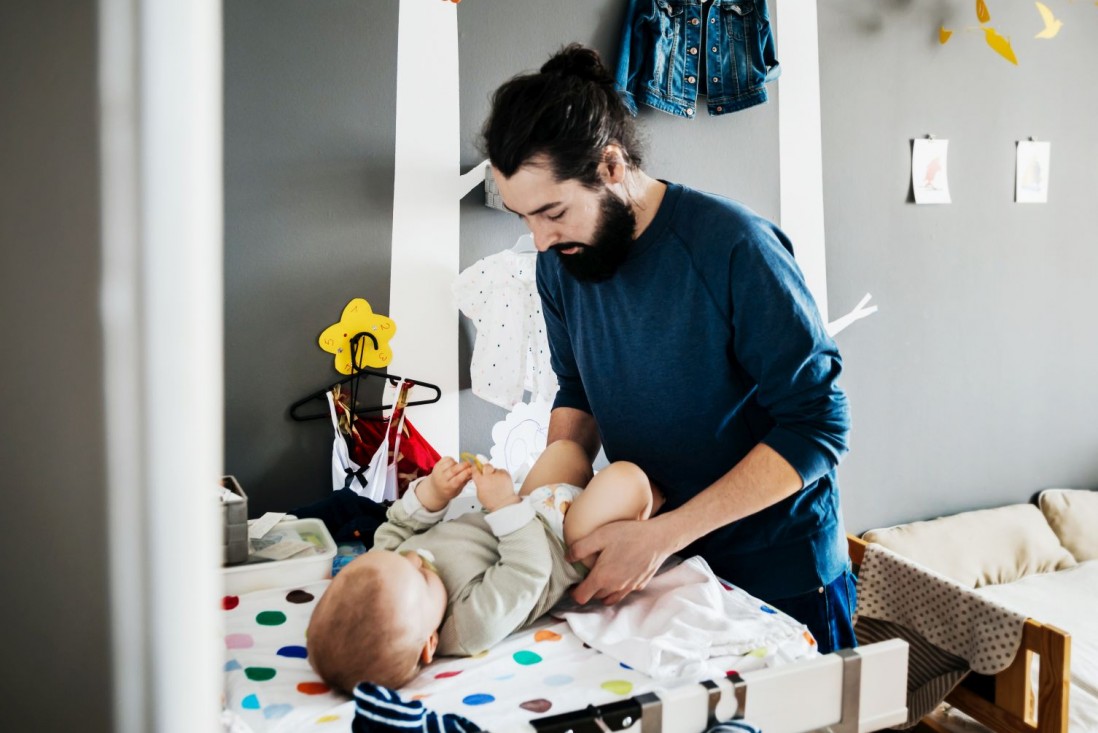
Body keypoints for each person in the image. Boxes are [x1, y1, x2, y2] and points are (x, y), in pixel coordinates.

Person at [481, 44, 856, 654]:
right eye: (524, 217)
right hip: (665, 568)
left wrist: (663, 535)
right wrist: (549, 511)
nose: (540, 240)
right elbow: (578, 392)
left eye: (552, 212)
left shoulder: (735, 247)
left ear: (609, 167)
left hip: (779, 575)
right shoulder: (561, 267)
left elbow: (818, 426)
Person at [306, 439, 662, 692]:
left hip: (529, 508)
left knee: (565, 450)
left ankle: (625, 494)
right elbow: (528, 570)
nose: (414, 558)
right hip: (567, 546)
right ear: (429, 644)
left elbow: (398, 526)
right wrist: (504, 503)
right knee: (625, 478)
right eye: (421, 576)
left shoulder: (386, 568)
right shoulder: (468, 626)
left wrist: (432, 493)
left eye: (401, 559)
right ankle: (652, 505)